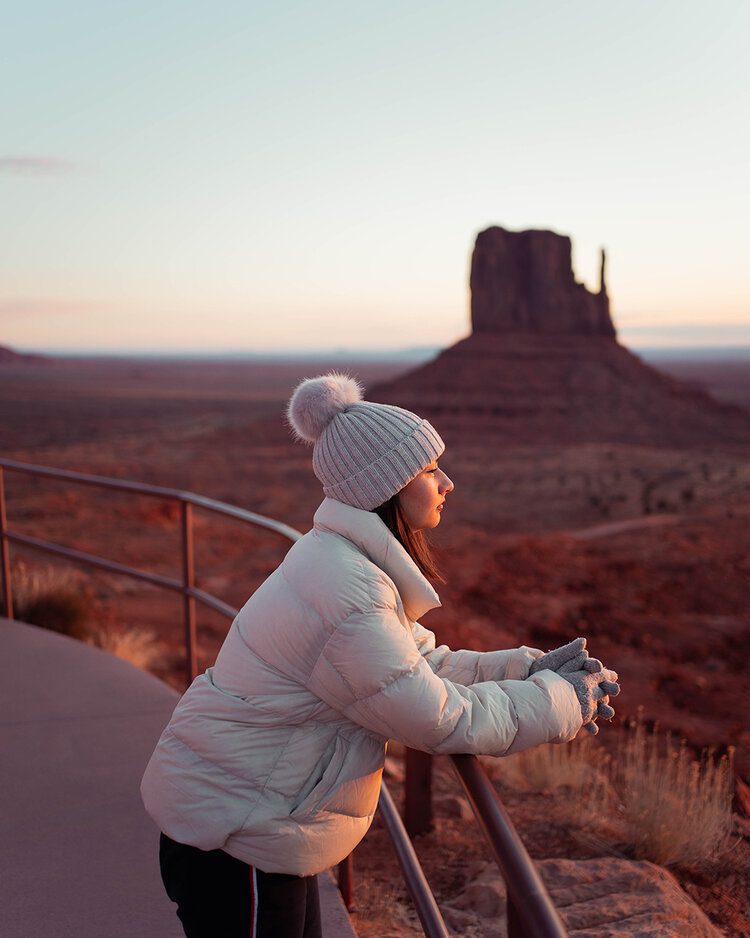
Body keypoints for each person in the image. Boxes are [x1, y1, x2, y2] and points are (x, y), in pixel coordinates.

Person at [141, 372, 619, 938]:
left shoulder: (345, 562)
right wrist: (560, 700)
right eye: (430, 469)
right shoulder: (348, 595)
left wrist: (526, 668)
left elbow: (419, 665)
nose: (448, 482)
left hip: (252, 813)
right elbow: (439, 718)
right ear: (385, 485)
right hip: (236, 832)